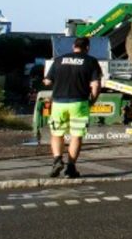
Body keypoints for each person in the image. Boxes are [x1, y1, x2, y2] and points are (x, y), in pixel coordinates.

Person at [42, 37, 102, 178]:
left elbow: (47, 81)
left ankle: (57, 160)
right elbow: (96, 85)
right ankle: (71, 168)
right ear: (87, 48)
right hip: (79, 102)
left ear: (73, 46)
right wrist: (92, 100)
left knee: (57, 134)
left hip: (58, 103)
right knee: (76, 135)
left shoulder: (59, 60)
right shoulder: (91, 61)